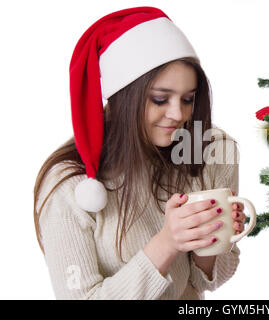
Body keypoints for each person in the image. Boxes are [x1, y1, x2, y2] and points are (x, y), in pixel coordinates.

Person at [33, 6, 245, 300]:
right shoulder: (70, 185)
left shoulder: (209, 151)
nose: (178, 114)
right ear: (124, 95)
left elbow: (208, 281)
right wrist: (167, 244)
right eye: (160, 99)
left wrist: (209, 241)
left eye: (188, 99)